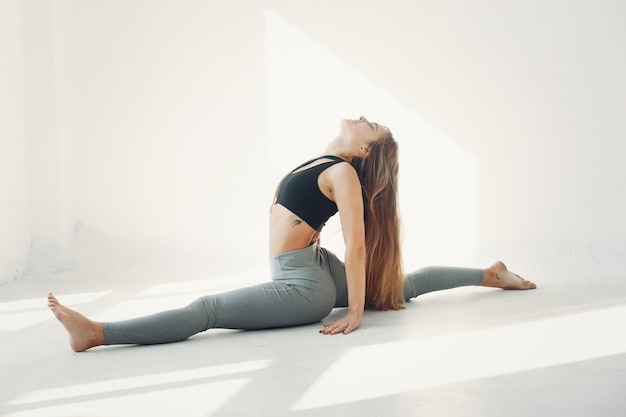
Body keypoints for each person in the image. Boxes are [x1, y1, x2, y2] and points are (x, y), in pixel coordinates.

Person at [48, 116, 536, 352]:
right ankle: (489, 275)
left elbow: (359, 244)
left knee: (208, 311)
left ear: (365, 149)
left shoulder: (343, 173)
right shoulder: (328, 164)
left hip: (304, 286)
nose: (362, 117)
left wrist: (357, 313)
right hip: (313, 266)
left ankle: (96, 334)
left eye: (372, 125)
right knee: (402, 288)